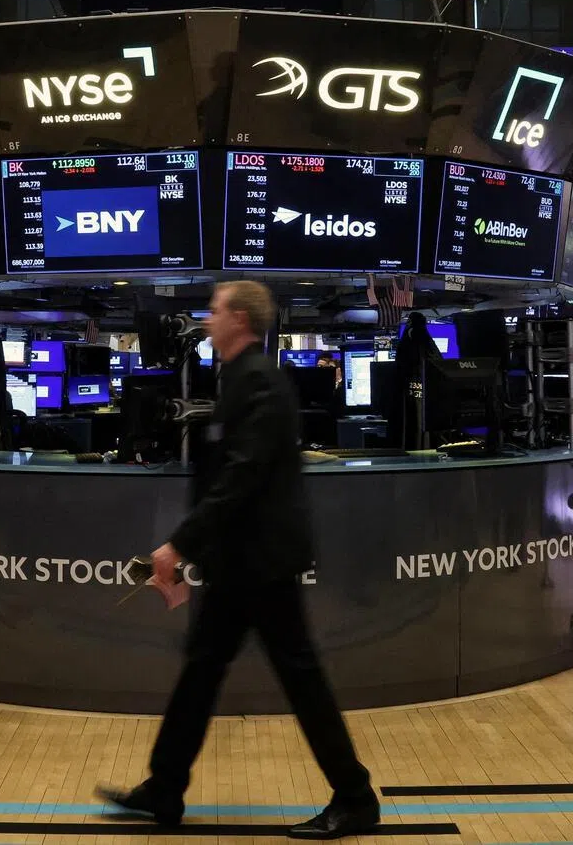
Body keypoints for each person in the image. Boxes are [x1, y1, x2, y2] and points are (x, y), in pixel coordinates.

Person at [98, 281, 379, 839]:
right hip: (238, 560)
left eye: (217, 309)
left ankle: (355, 797)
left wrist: (180, 544)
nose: (208, 317)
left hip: (263, 562)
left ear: (241, 319)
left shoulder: (261, 382)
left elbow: (242, 478)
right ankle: (164, 788)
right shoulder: (236, 379)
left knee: (299, 678)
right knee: (202, 670)